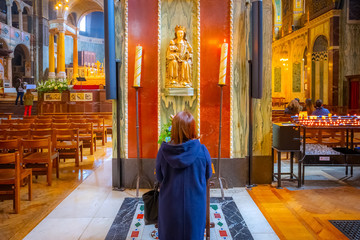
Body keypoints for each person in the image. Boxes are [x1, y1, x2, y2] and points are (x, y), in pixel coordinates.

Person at [156, 111, 212, 240]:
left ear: (174, 128)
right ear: (193, 128)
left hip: (170, 205)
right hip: (195, 205)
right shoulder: (202, 150)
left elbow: (159, 177)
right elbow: (208, 175)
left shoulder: (163, 151)